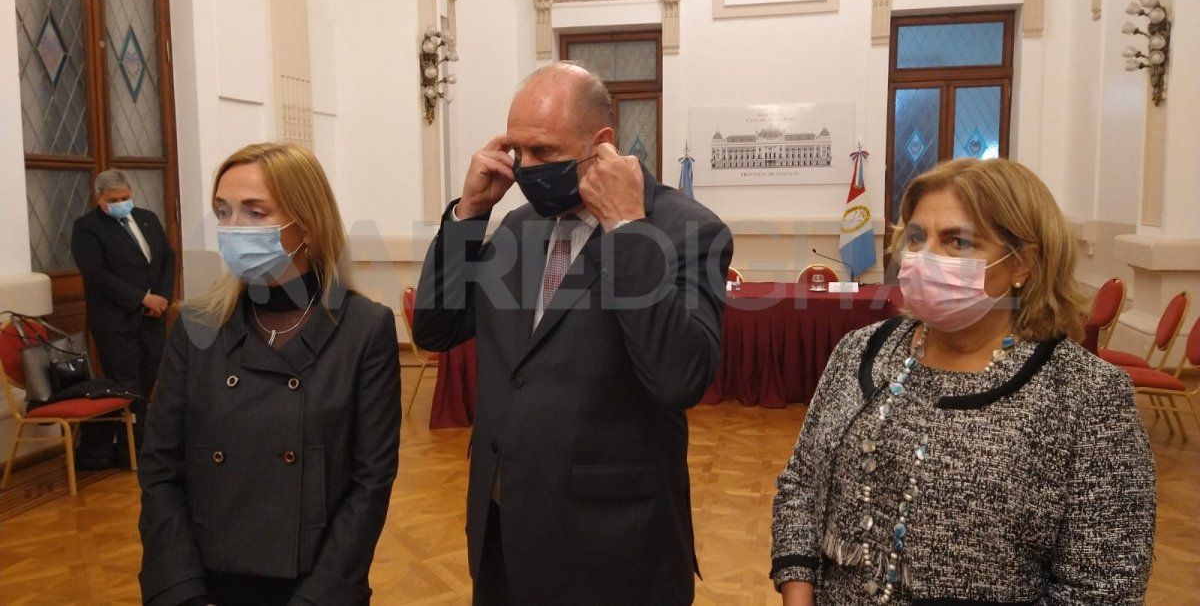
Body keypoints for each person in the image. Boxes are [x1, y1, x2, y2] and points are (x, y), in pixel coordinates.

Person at [414, 62, 733, 605]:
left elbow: (679, 377)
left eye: (543, 152)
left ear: (601, 143)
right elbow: (437, 327)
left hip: (611, 546)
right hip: (502, 531)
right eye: (517, 151)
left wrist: (627, 230)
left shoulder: (686, 229)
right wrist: (469, 214)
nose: (525, 168)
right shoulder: (519, 224)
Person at [770, 158, 1156, 604]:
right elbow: (801, 484)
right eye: (915, 237)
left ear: (1023, 264)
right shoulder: (860, 351)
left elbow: (1104, 584)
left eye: (956, 241)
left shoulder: (1086, 395)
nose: (923, 257)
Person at [138, 143, 400, 606]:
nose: (233, 229)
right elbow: (160, 469)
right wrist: (180, 591)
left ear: (308, 224)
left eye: (254, 213)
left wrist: (320, 596)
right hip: (208, 582)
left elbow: (370, 481)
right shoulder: (196, 325)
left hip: (310, 583)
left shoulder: (363, 328)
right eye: (223, 211)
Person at [71, 169, 175, 469]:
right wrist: (141, 298)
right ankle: (127, 450)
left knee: (151, 380)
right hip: (115, 321)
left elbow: (167, 257)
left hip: (153, 317)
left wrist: (162, 298)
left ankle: (146, 447)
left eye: (126, 197)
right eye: (113, 199)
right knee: (126, 384)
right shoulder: (87, 227)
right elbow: (97, 275)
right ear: (99, 199)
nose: (121, 203)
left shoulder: (147, 218)